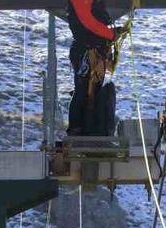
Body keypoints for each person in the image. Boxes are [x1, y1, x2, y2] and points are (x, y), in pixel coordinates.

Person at [66, 0, 123, 136]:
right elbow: (89, 23)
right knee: (83, 90)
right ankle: (78, 129)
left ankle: (90, 128)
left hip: (94, 51)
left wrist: (110, 33)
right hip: (85, 51)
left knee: (92, 90)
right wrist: (110, 34)